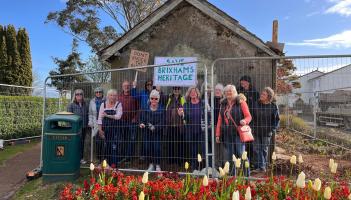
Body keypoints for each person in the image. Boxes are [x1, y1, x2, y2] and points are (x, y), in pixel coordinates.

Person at [216, 85, 252, 172]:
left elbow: (248, 116)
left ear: (235, 92)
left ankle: (247, 176)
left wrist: (244, 121)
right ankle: (232, 177)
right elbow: (219, 120)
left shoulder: (241, 102)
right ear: (224, 93)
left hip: (238, 133)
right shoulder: (223, 104)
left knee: (241, 154)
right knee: (229, 156)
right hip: (227, 134)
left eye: (231, 91)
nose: (229, 93)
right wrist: (217, 134)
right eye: (227, 91)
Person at [251, 87, 280, 173]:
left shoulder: (273, 106)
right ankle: (261, 166)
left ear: (269, 96)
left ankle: (261, 166)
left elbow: (277, 119)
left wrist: (273, 129)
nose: (261, 95)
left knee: (264, 149)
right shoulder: (255, 104)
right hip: (255, 131)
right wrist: (251, 127)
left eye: (264, 94)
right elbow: (251, 117)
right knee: (256, 149)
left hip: (267, 132)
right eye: (261, 93)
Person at [139, 90, 165, 172]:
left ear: (159, 99)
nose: (154, 100)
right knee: (148, 148)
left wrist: (155, 127)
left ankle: (157, 165)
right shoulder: (145, 109)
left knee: (157, 148)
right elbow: (141, 119)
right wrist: (141, 124)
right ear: (149, 99)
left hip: (157, 132)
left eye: (156, 99)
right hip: (147, 132)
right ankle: (151, 164)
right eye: (152, 98)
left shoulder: (162, 109)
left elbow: (163, 122)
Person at [97, 89, 123, 166]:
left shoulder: (118, 104)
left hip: (116, 129)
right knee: (105, 145)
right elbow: (99, 118)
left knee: (114, 146)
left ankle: (114, 165)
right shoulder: (103, 104)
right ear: (108, 96)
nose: (112, 97)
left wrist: (107, 115)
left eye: (114, 95)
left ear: (116, 96)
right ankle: (106, 164)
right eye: (111, 95)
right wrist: (100, 129)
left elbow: (118, 116)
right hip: (105, 129)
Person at [238, 75, 259, 164]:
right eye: (241, 81)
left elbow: (256, 106)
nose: (242, 83)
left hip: (251, 119)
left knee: (250, 141)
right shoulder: (239, 91)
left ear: (248, 82)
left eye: (243, 81)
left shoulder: (254, 92)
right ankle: (241, 161)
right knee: (242, 141)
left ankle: (250, 162)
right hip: (241, 119)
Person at [118, 81, 139, 163]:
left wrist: (135, 118)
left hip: (132, 122)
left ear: (130, 87)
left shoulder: (134, 95)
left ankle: (129, 158)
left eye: (128, 85)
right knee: (122, 139)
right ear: (122, 87)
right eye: (124, 86)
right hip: (122, 121)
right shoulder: (119, 96)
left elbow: (139, 108)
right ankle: (122, 156)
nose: (126, 87)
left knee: (132, 139)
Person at [183, 86, 204, 169]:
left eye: (194, 92)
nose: (193, 93)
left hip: (201, 130)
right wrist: (182, 115)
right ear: (189, 94)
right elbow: (185, 118)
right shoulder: (186, 105)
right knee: (192, 149)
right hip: (190, 130)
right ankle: (194, 167)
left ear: (197, 93)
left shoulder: (202, 103)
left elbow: (208, 114)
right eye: (191, 92)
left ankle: (201, 166)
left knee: (200, 149)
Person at [165, 86, 186, 166]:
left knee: (180, 143)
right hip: (170, 125)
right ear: (173, 90)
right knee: (170, 143)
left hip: (180, 125)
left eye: (178, 89)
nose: (176, 90)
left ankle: (180, 161)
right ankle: (171, 160)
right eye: (175, 89)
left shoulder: (182, 98)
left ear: (180, 90)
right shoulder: (169, 98)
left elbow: (185, 108)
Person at [67, 89, 89, 164]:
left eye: (80, 94)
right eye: (77, 94)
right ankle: (73, 158)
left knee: (82, 143)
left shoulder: (85, 104)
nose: (79, 95)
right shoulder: (71, 105)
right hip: (75, 129)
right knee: (74, 143)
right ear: (75, 96)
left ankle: (81, 158)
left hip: (83, 127)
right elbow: (69, 117)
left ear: (83, 95)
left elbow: (87, 114)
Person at [88, 87, 104, 162]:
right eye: (97, 92)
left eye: (99, 92)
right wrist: (90, 122)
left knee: (104, 139)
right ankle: (99, 157)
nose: (98, 93)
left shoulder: (105, 100)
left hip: (104, 122)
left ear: (102, 93)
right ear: (95, 93)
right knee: (97, 141)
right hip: (95, 123)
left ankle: (105, 157)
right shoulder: (92, 101)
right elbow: (90, 113)